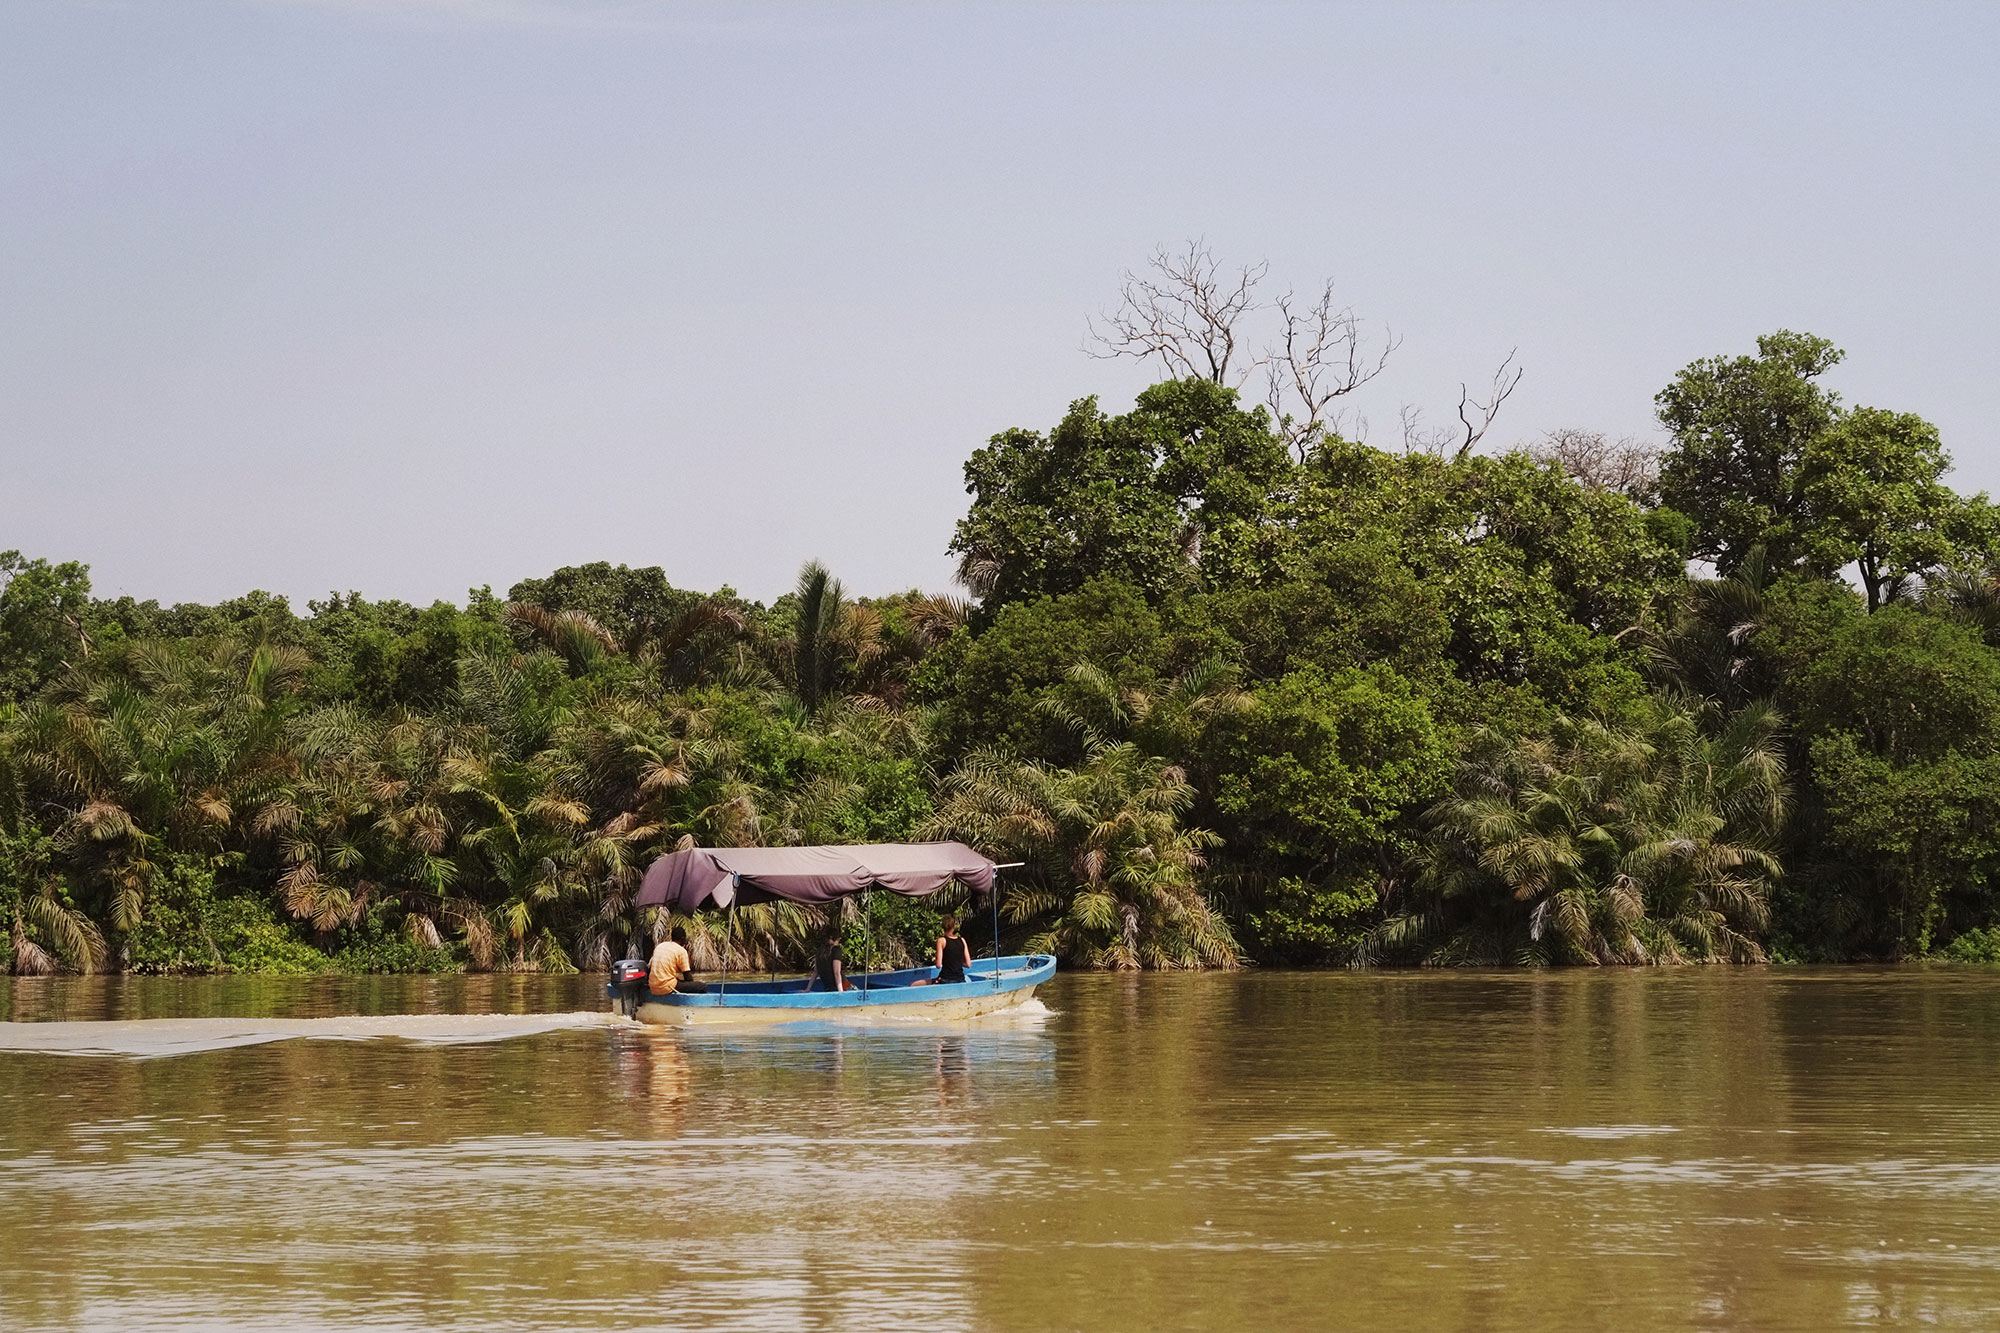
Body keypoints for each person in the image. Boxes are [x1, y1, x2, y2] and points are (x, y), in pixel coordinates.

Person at [912, 915, 972, 986]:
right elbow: (968, 964)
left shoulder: (941, 941)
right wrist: (956, 962)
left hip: (945, 979)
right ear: (954, 927)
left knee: (913, 984)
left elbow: (938, 965)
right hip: (960, 979)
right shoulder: (962, 940)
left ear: (943, 927)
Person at [647, 926, 706, 996]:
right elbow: (688, 978)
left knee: (678, 980)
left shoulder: (660, 946)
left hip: (653, 986)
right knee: (703, 986)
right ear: (683, 938)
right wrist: (694, 985)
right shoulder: (681, 951)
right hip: (665, 988)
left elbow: (649, 968)